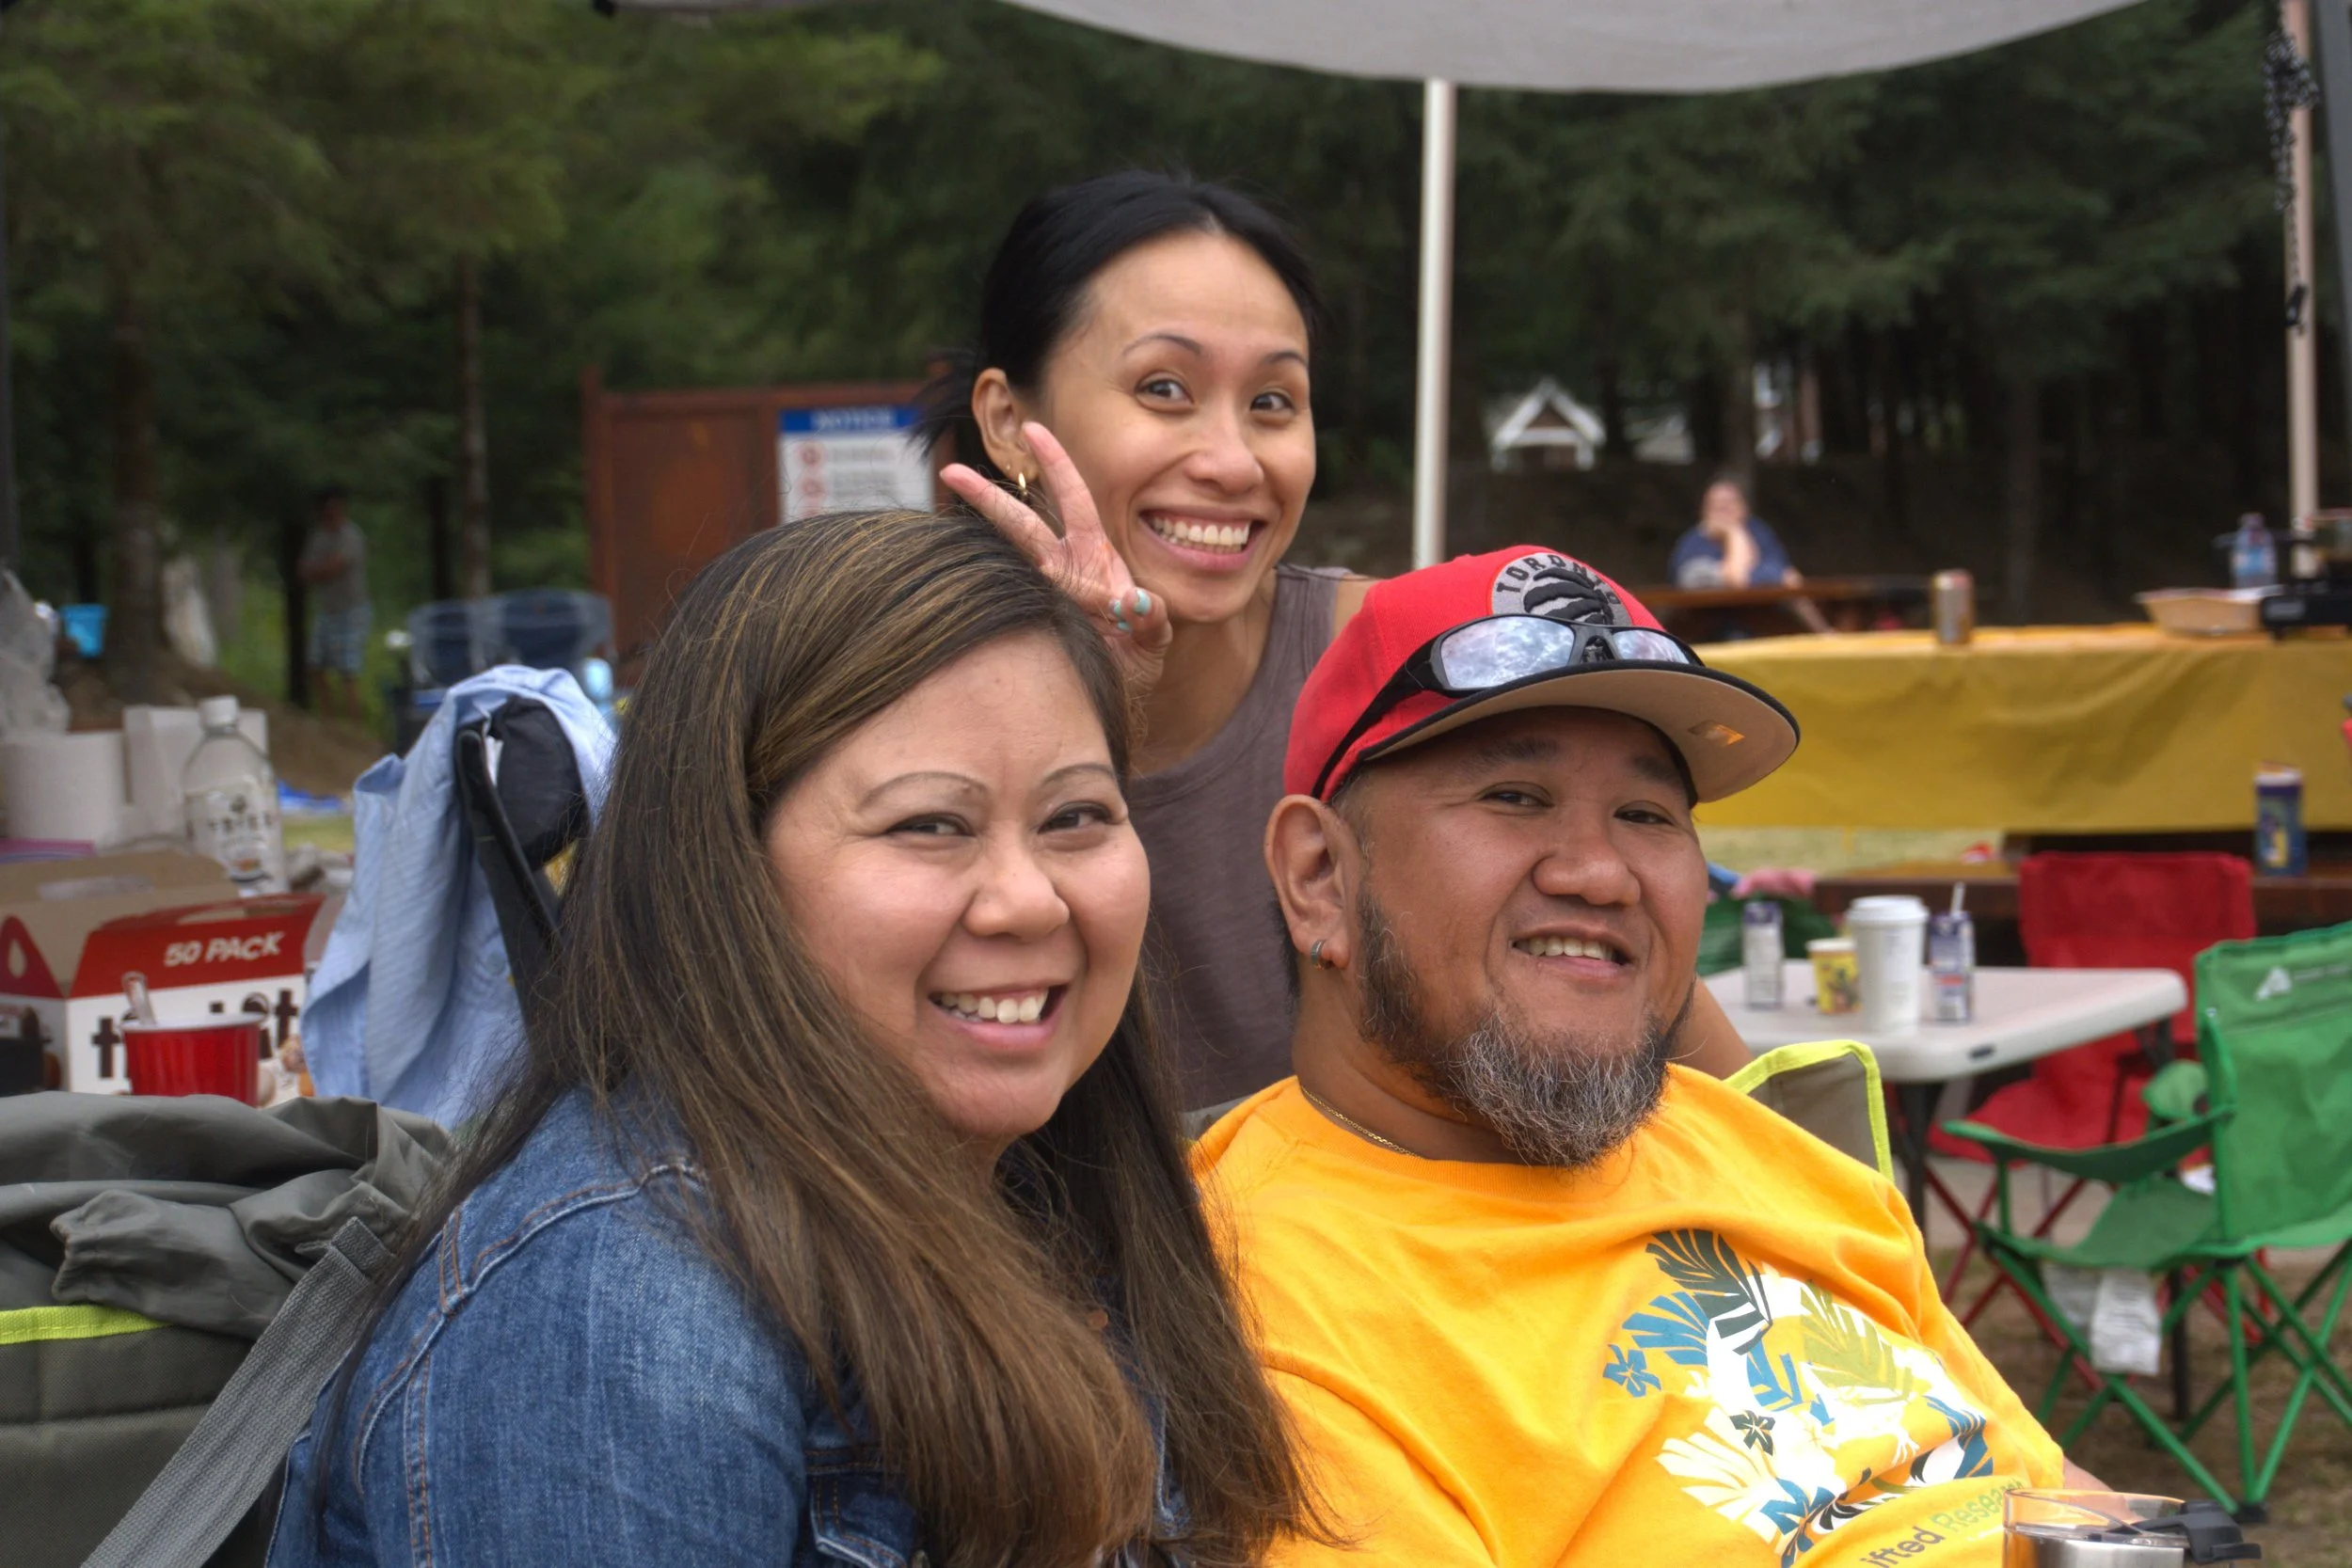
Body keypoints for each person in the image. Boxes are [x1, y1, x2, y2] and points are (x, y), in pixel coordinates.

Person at [270, 510, 1321, 1567]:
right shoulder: (617, 1307)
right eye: (930, 824)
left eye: (1076, 817)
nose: (1028, 900)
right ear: (727, 871)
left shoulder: (1064, 1191)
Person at [1198, 544, 2098, 1565]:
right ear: (1320, 875)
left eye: (1645, 815)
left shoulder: (1750, 1143)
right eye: (1514, 796)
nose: (1602, 873)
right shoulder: (1267, 1312)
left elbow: (2064, 1496)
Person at [934, 171, 1753, 1106]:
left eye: (1273, 402)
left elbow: (1704, 1062)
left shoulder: (1407, 661)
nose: (1233, 461)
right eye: (1164, 389)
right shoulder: (903, 684)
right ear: (1007, 420)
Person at [1670, 474, 1832, 635]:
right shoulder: (1692, 545)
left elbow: (1787, 576)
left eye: (1729, 503)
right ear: (1704, 511)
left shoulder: (1758, 532)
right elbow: (1737, 580)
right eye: (1716, 505)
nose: (1722, 510)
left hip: (1763, 619)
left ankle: (1825, 634)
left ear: (1744, 508)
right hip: (1707, 628)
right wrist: (1733, 532)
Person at [297, 485, 371, 721]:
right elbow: (305, 570)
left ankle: (354, 721)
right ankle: (328, 719)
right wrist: (321, 569)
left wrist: (320, 569)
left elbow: (335, 566)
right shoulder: (319, 537)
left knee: (348, 670)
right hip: (327, 611)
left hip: (352, 610)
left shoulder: (351, 536)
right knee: (316, 663)